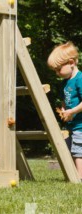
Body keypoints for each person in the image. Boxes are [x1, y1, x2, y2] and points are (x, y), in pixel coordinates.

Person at [47, 41, 82, 178]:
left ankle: (79, 178)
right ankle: (74, 175)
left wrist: (72, 111)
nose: (57, 73)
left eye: (58, 69)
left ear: (71, 63)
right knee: (69, 149)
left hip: (81, 125)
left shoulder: (80, 79)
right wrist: (63, 109)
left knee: (79, 150)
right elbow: (64, 100)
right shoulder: (65, 83)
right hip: (72, 125)